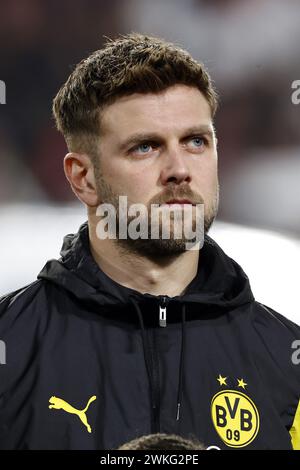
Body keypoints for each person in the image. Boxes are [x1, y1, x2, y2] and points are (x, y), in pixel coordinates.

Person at [0, 33, 299, 450]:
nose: (179, 169)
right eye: (145, 147)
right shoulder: (11, 349)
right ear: (82, 177)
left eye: (196, 141)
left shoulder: (286, 359)